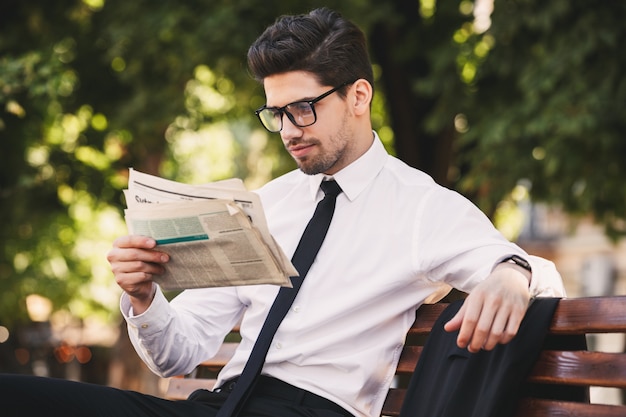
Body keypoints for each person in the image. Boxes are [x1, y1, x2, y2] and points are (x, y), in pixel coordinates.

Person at [0, 7, 565, 417]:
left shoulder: (419, 206)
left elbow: (523, 267)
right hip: (219, 406)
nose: (289, 131)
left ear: (358, 97)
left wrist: (513, 277)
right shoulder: (269, 203)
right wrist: (144, 299)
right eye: (277, 114)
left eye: (303, 109)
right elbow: (179, 354)